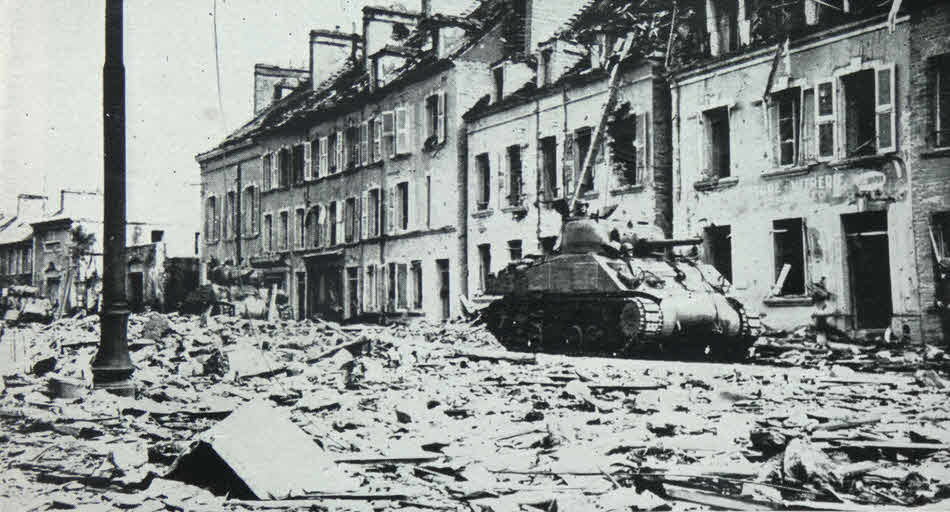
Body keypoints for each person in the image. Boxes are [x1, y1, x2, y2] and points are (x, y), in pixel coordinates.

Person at [937, 258, 950, 346]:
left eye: (942, 267)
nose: (941, 268)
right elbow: (940, 291)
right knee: (946, 326)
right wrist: (938, 300)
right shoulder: (944, 279)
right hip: (945, 306)